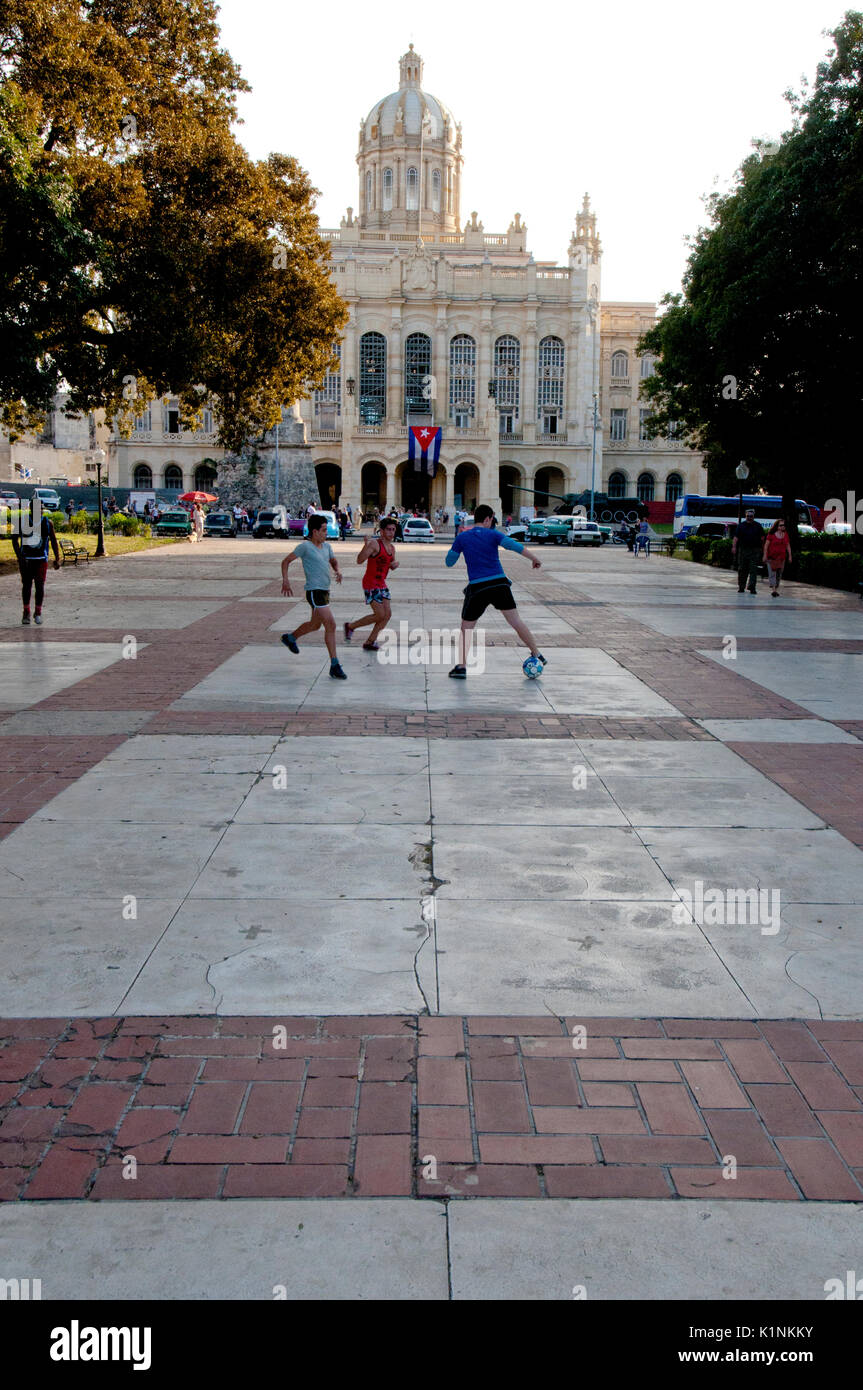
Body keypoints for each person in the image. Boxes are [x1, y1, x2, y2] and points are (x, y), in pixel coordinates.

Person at [444, 504, 545, 679]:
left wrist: (460, 546)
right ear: (488, 519)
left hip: (477, 588)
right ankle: (537, 653)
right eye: (492, 520)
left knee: (466, 628)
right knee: (515, 621)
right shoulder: (494, 534)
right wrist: (534, 558)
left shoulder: (463, 536)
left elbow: (449, 562)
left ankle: (461, 667)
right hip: (499, 584)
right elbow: (513, 546)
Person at [279, 514, 347, 679]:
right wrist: (285, 581)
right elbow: (286, 561)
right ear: (315, 531)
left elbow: (333, 561)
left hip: (325, 590)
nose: (326, 533)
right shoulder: (305, 547)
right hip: (314, 591)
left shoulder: (327, 547)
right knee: (330, 624)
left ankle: (290, 638)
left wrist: (337, 570)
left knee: (315, 625)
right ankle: (335, 664)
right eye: (323, 530)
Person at [344, 516, 399, 651]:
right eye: (388, 530)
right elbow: (359, 560)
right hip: (370, 583)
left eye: (393, 530)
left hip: (381, 583)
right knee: (380, 614)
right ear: (381, 531)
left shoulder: (392, 548)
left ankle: (370, 642)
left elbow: (388, 565)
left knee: (387, 615)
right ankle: (350, 626)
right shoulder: (375, 544)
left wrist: (394, 565)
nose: (391, 533)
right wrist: (365, 546)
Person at [12, 501, 60, 626]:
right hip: (27, 560)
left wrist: (57, 558)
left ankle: (38, 612)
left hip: (41, 560)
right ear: (31, 509)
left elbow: (54, 540)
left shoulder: (48, 523)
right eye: (36, 508)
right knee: (27, 586)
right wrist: (19, 556)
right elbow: (14, 539)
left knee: (40, 586)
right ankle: (26, 611)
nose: (40, 511)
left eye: (41, 509)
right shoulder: (22, 521)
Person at [733, 507, 764, 594]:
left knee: (753, 570)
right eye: (748, 516)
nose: (749, 517)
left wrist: (762, 549)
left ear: (753, 516)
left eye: (751, 516)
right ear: (745, 516)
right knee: (742, 569)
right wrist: (734, 547)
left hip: (755, 550)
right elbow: (736, 537)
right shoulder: (741, 526)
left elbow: (762, 538)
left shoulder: (758, 526)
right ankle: (741, 587)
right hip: (743, 550)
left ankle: (752, 587)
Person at [764, 519, 792, 598]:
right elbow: (766, 546)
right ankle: (774, 590)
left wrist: (790, 556)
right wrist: (764, 555)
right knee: (772, 574)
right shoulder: (771, 534)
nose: (783, 527)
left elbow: (788, 546)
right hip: (771, 558)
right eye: (781, 525)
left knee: (779, 574)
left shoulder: (785, 534)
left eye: (783, 525)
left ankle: (775, 588)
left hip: (781, 558)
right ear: (777, 526)